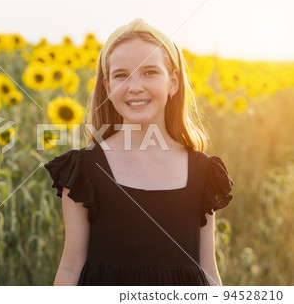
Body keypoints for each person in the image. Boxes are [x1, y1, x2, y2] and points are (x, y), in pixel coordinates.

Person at [44, 18, 234, 286]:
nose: (135, 87)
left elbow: (208, 270)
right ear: (108, 87)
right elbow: (70, 267)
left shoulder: (203, 172)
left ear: (174, 82)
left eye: (150, 72)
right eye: (121, 75)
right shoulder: (83, 169)